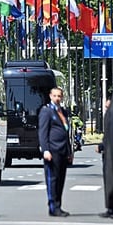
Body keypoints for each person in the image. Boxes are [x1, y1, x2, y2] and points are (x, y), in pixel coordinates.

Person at [38, 87, 72, 217]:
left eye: (59, 96)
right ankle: (53, 207)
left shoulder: (62, 112)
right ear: (50, 96)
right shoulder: (46, 111)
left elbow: (65, 133)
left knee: (61, 180)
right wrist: (45, 150)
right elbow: (43, 132)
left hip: (63, 151)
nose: (57, 98)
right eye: (55, 96)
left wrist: (69, 152)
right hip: (52, 151)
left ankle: (58, 205)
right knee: (52, 179)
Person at [97, 98, 113, 219]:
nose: (106, 108)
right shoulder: (109, 116)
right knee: (108, 181)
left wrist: (102, 146)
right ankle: (110, 208)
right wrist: (101, 146)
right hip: (107, 153)